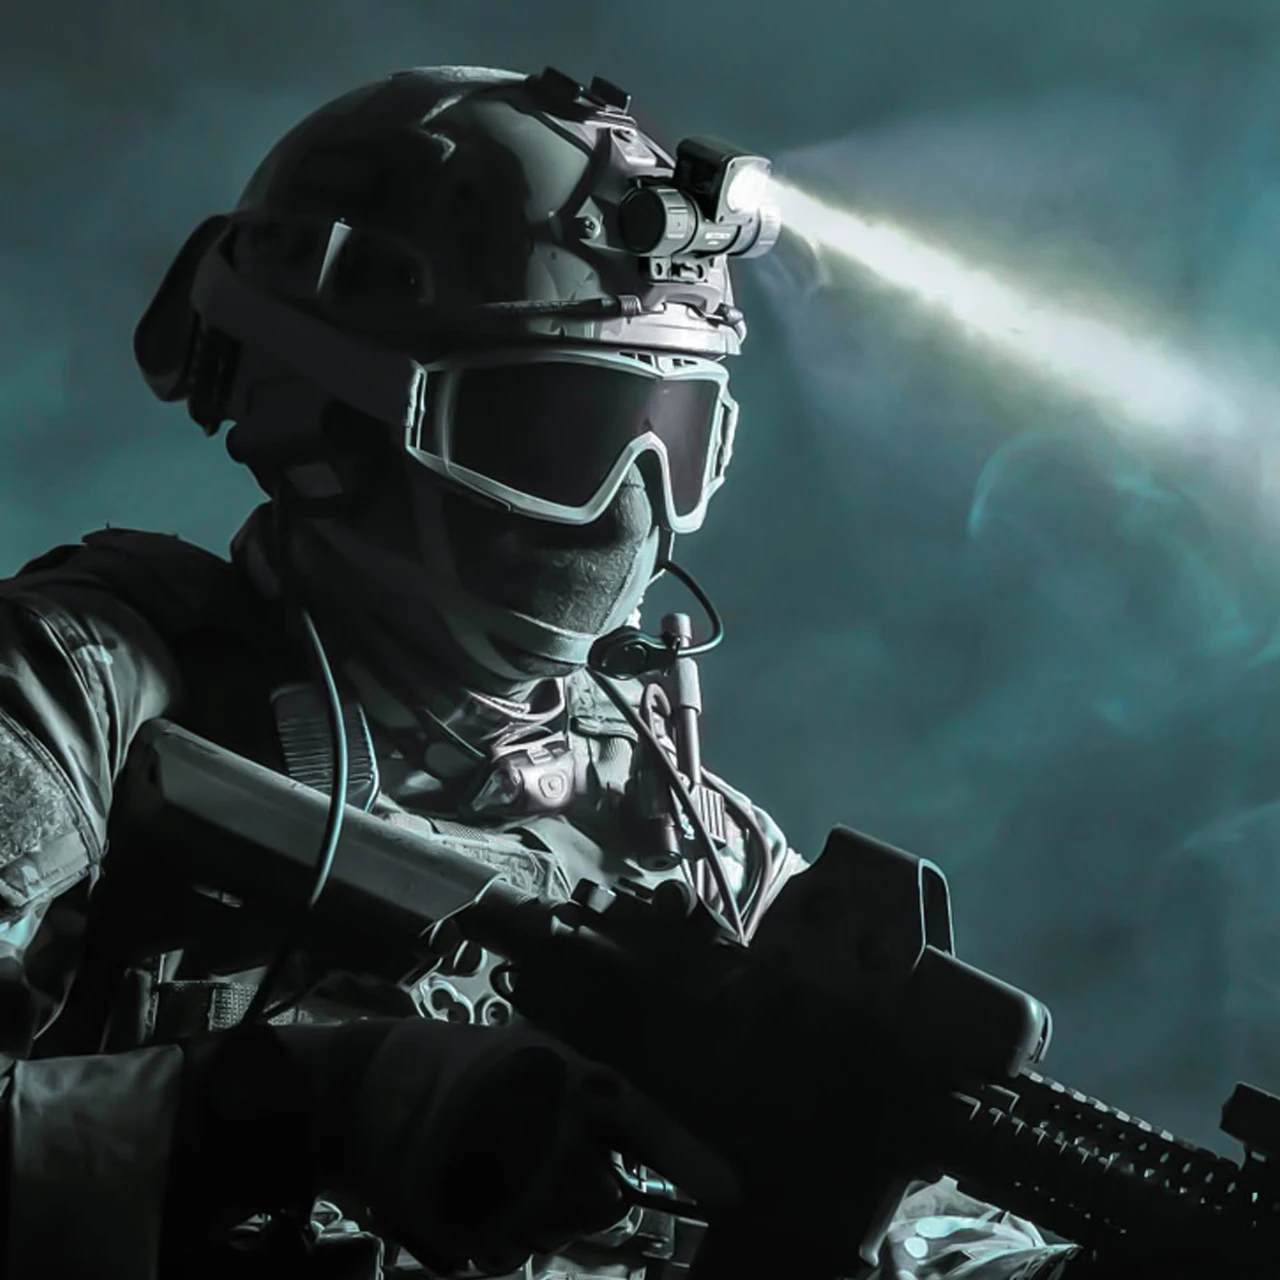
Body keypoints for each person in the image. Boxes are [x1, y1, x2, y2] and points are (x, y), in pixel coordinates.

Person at [0, 64, 1076, 1278]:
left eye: (670, 441)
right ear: (326, 416)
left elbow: (917, 1218)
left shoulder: (693, 843)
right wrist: (299, 1109)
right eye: (561, 435)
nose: (628, 506)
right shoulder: (81, 696)